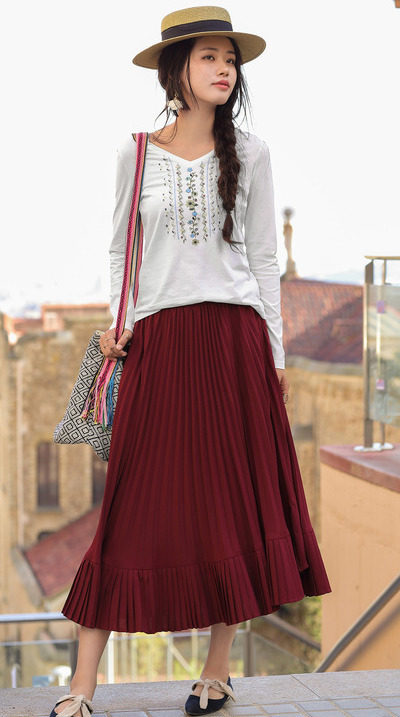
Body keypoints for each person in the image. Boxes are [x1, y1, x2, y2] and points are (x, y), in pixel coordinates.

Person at [48, 6, 332, 717]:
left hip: (235, 345)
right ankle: (82, 685)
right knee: (131, 506)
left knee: (229, 509)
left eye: (230, 60)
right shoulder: (135, 153)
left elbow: (263, 260)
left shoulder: (254, 153)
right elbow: (120, 250)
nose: (223, 69)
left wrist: (274, 355)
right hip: (160, 344)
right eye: (209, 56)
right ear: (176, 69)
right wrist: (119, 323)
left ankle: (215, 670)